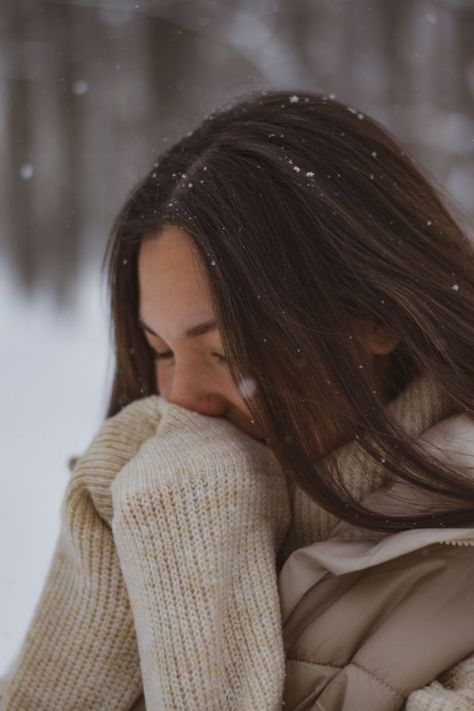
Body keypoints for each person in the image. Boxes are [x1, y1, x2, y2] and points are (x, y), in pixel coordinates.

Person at [1, 89, 473, 710]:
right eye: (161, 352)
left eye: (227, 350)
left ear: (376, 316)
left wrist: (197, 577)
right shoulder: (133, 507)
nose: (181, 398)